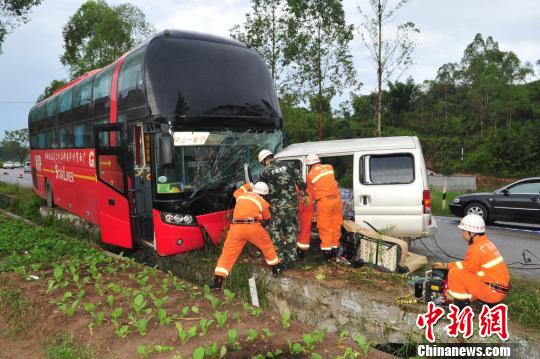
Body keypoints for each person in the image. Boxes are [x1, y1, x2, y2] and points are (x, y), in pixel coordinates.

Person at [211, 181, 285, 293]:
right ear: (264, 194)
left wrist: (248, 185)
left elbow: (236, 191)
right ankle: (276, 268)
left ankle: (217, 282)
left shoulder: (241, 195)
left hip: (236, 227)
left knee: (228, 253)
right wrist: (261, 219)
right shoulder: (262, 202)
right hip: (252, 227)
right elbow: (267, 217)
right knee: (267, 245)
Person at [433, 214, 510, 309]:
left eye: (463, 231)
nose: (462, 234)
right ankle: (473, 298)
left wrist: (448, 267)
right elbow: (468, 265)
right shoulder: (487, 244)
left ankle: (462, 306)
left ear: (472, 233)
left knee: (454, 273)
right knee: (466, 274)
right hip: (498, 291)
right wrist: (447, 265)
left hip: (492, 294)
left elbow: (466, 268)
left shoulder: (476, 249)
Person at [257, 149, 308, 266]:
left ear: (264, 160)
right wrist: (304, 194)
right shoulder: (288, 165)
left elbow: (260, 190)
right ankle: (291, 260)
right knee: (290, 231)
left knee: (276, 232)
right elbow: (300, 181)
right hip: (291, 206)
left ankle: (279, 260)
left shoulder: (265, 172)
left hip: (276, 208)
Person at [305, 154, 343, 261]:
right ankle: (335, 251)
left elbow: (311, 193)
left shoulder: (310, 175)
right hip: (336, 200)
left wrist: (311, 203)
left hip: (325, 202)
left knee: (325, 227)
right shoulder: (329, 167)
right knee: (336, 224)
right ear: (318, 161)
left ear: (309, 165)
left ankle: (327, 254)